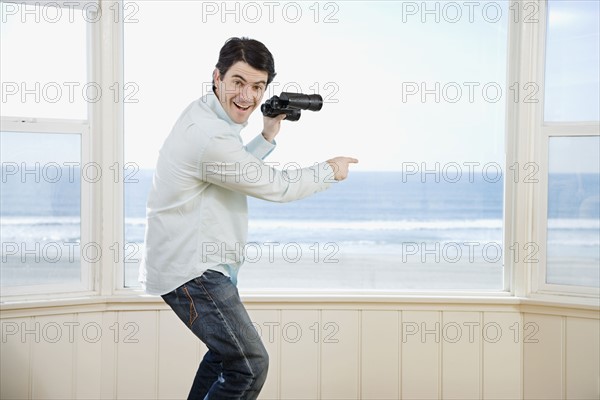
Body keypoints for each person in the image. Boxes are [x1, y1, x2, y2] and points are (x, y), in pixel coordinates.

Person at [139, 37, 358, 399]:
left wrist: (268, 133)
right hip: (193, 270)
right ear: (217, 77)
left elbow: (233, 170)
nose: (247, 95)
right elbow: (277, 187)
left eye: (258, 86)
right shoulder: (209, 136)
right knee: (250, 364)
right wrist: (329, 171)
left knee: (226, 358)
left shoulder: (207, 118)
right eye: (238, 82)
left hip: (199, 263)